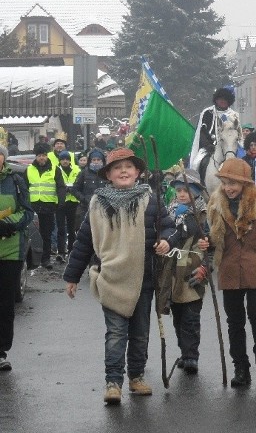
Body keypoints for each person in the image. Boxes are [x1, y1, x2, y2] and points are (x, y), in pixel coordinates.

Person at [63, 148, 177, 405]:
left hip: (144, 279)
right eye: (117, 168)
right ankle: (113, 381)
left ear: (138, 172)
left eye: (128, 167)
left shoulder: (152, 200)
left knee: (139, 333)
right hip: (111, 277)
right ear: (108, 175)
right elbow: (84, 242)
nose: (123, 171)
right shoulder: (97, 203)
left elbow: (169, 227)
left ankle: (136, 377)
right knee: (115, 333)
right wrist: (72, 276)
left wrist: (166, 242)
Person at [207, 158, 256, 388]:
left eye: (233, 183)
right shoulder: (215, 205)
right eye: (225, 183)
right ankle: (240, 367)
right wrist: (206, 245)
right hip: (229, 269)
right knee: (235, 321)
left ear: (244, 184)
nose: (229, 188)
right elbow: (210, 237)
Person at [159, 170, 210, 375]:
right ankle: (183, 351)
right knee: (178, 317)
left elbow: (207, 241)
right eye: (179, 190)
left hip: (191, 270)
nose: (181, 194)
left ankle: (191, 356)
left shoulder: (202, 215)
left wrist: (206, 263)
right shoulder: (170, 212)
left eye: (186, 190)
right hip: (172, 273)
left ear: (196, 192)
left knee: (190, 318)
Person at [0, 143, 35, 372]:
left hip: (9, 252)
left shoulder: (15, 180)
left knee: (4, 304)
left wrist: (7, 225)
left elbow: (27, 211)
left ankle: (1, 352)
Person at [25, 142, 65, 269]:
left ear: (47, 156)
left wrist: (61, 201)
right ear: (36, 157)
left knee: (46, 234)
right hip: (33, 206)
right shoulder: (29, 169)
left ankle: (45, 259)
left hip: (48, 205)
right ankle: (34, 258)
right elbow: (25, 187)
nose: (41, 158)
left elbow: (61, 187)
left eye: (43, 155)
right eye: (39, 155)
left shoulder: (55, 169)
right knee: (32, 234)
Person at [189, 87, 241, 178]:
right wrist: (208, 145)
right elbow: (202, 132)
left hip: (230, 147)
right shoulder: (208, 112)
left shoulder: (234, 115)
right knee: (196, 163)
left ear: (229, 101)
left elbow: (238, 134)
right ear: (216, 100)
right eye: (220, 99)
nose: (222, 101)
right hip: (209, 148)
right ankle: (197, 185)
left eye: (225, 99)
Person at [69, 149, 108, 231]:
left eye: (98, 160)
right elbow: (75, 189)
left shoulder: (107, 174)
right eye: (94, 160)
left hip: (104, 210)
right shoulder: (83, 173)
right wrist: (84, 199)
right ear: (90, 161)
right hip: (86, 209)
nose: (96, 162)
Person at [55, 150, 80, 263]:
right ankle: (61, 252)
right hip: (60, 202)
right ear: (59, 160)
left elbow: (79, 184)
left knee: (72, 228)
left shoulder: (77, 170)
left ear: (70, 160)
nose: (65, 161)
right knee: (60, 228)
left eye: (67, 159)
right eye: (63, 159)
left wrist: (71, 189)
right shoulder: (56, 170)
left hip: (73, 202)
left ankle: (71, 251)